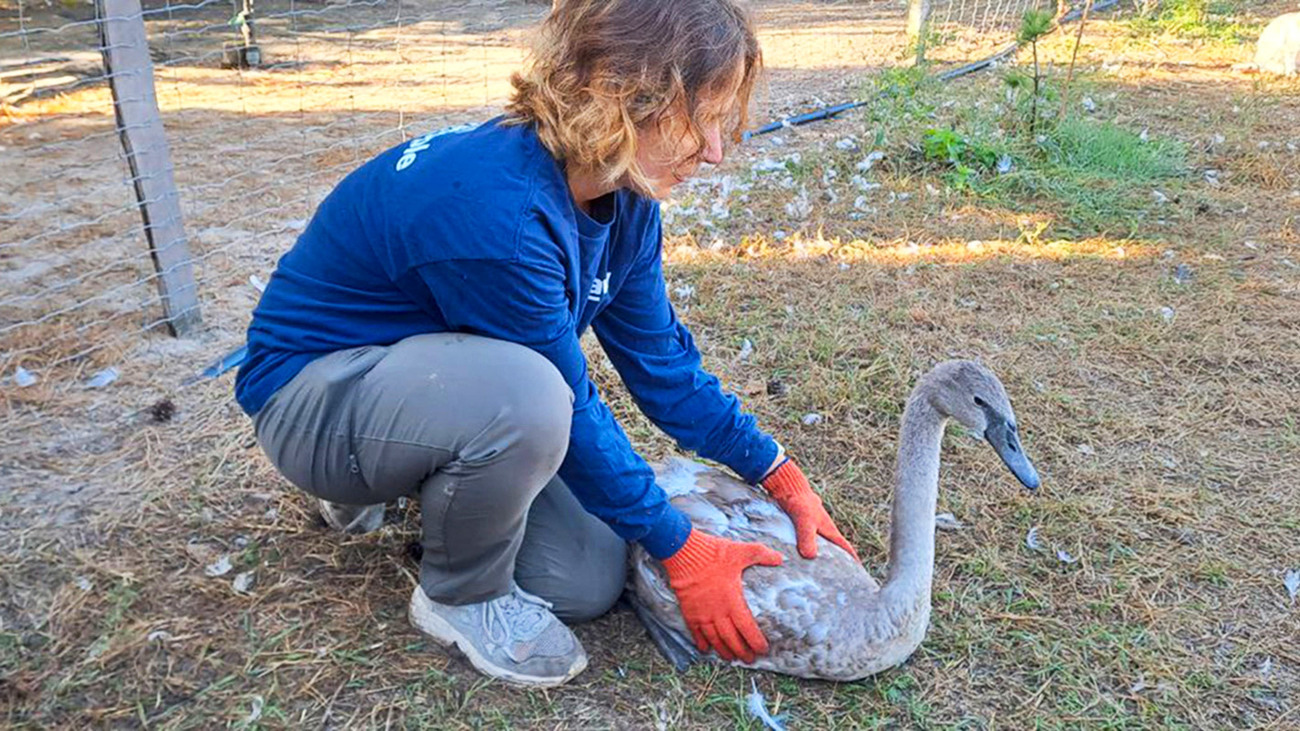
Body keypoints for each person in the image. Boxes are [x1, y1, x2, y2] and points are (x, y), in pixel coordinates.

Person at [235, 0, 858, 688]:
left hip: (427, 386)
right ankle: (456, 596)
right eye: (701, 118)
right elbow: (570, 401)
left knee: (583, 578)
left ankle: (424, 471)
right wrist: (684, 550)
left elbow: (664, 371)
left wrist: (777, 471)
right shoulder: (501, 216)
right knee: (532, 397)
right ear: (623, 95)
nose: (714, 151)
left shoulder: (624, 198)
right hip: (310, 401)